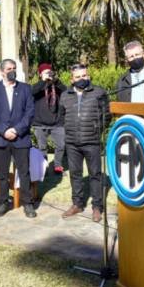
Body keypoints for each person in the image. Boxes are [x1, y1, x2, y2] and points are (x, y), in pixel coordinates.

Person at [59, 64, 110, 223]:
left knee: (95, 174)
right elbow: (61, 116)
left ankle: (97, 207)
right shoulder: (65, 95)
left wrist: (96, 129)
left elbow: (106, 115)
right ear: (72, 79)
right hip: (72, 143)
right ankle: (77, 204)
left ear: (88, 76)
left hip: (92, 141)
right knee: (75, 174)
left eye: (84, 76)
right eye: (78, 77)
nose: (82, 79)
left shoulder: (99, 92)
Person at [0, 58, 37, 218]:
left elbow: (30, 112)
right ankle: (3, 202)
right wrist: (4, 130)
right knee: (1, 173)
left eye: (14, 68)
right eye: (8, 68)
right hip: (0, 139)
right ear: (2, 72)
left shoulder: (25, 89)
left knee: (24, 172)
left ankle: (27, 203)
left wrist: (16, 130)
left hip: (20, 138)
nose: (12, 71)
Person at [31, 63, 67, 174]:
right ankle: (44, 166)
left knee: (61, 145)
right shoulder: (37, 86)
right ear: (40, 74)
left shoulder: (57, 85)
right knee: (42, 147)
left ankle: (58, 165)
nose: (48, 74)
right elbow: (32, 92)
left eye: (49, 71)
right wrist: (44, 81)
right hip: (40, 123)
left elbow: (67, 91)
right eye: (45, 72)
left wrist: (56, 81)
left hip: (57, 122)